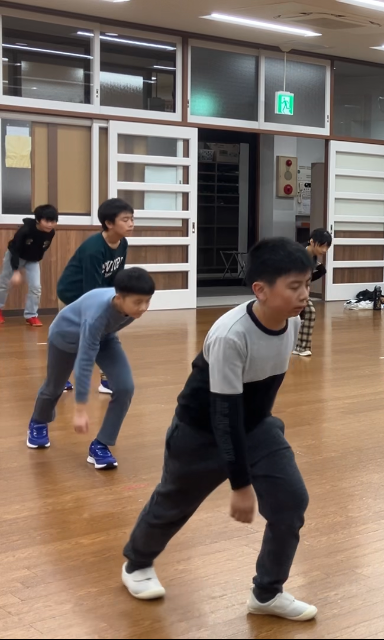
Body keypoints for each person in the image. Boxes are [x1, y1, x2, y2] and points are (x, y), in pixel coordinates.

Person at [121, 237, 317, 621]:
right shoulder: (231, 334)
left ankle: (267, 593)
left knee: (291, 502)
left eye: (307, 284)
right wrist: (241, 485)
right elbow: (223, 415)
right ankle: (137, 563)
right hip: (200, 432)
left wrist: (261, 444)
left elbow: (258, 396)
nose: (304, 294)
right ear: (260, 290)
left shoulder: (291, 323)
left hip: (255, 426)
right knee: (174, 503)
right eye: (294, 286)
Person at [25, 268, 154, 470]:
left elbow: (102, 333)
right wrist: (80, 410)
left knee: (124, 387)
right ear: (119, 298)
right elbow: (85, 363)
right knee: (54, 386)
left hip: (102, 337)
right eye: (138, 302)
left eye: (147, 301)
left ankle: (100, 445)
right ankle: (38, 421)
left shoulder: (129, 307)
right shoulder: (97, 315)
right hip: (65, 337)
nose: (144, 307)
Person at [56, 198, 134, 394]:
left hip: (98, 293)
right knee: (71, 340)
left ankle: (106, 380)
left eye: (132, 219)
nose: (131, 224)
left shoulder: (123, 243)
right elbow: (91, 291)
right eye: (125, 220)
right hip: (73, 296)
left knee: (107, 336)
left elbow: (116, 277)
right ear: (109, 223)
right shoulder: (94, 249)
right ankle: (59, 379)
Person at [0, 204, 57, 326]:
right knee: (4, 284)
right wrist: (16, 270)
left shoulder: (51, 233)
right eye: (47, 221)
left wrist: (33, 261)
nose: (50, 225)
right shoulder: (25, 230)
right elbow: (15, 249)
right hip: (15, 256)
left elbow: (42, 248)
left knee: (36, 287)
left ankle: (31, 315)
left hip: (32, 260)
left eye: (53, 221)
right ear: (38, 220)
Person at [293, 228, 332, 357]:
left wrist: (307, 282)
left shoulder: (313, 258)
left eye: (327, 247)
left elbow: (317, 272)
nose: (324, 250)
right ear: (312, 242)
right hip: (289, 288)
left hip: (300, 289)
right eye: (322, 246)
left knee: (308, 312)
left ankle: (301, 347)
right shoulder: (297, 253)